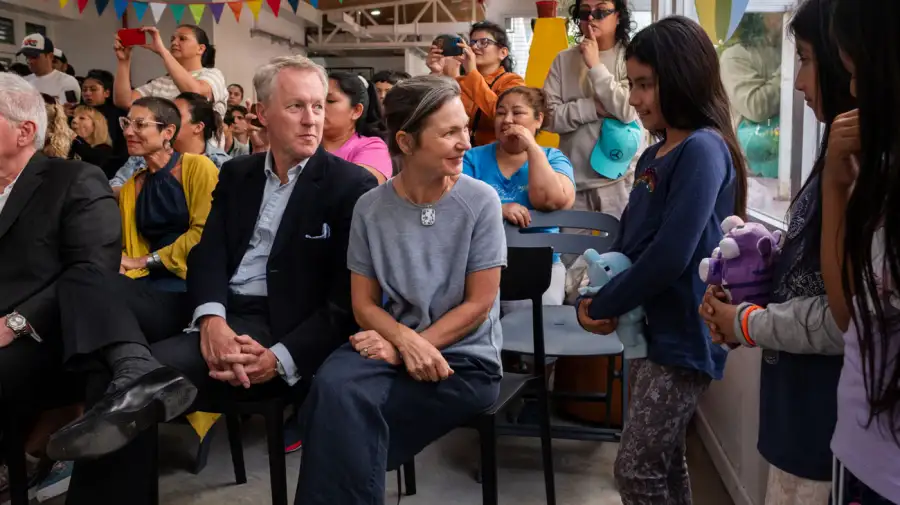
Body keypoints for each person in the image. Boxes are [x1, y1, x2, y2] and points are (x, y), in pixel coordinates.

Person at [48, 55, 378, 505]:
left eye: (319, 106)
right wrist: (211, 318)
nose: (312, 120)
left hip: (270, 325)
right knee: (85, 278)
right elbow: (209, 254)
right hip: (208, 305)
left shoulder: (350, 184)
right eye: (297, 106)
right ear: (263, 113)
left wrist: (282, 358)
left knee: (118, 382)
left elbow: (344, 302)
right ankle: (133, 362)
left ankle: (130, 375)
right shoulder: (240, 173)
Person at [295, 73, 504, 505]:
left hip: (463, 360)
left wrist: (407, 347)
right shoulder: (371, 207)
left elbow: (480, 304)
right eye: (449, 132)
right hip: (389, 343)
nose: (465, 141)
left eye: (464, 127)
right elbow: (363, 303)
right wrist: (402, 344)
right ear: (406, 142)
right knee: (330, 389)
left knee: (347, 416)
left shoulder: (481, 201)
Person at [575, 17, 748, 505]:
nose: (634, 98)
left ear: (683, 78)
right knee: (664, 464)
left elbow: (670, 255)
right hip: (650, 330)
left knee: (635, 472)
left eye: (646, 84)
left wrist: (606, 301)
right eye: (633, 84)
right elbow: (633, 242)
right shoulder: (654, 155)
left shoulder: (704, 148)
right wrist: (595, 297)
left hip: (683, 336)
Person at [699, 1, 855, 503]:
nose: (798, 83)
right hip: (797, 413)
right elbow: (810, 270)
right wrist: (744, 288)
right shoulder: (835, 149)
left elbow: (844, 318)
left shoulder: (854, 168)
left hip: (825, 430)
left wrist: (745, 322)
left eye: (806, 60)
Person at [0, 72, 120, 505]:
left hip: (42, 333)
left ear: (24, 131)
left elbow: (90, 272)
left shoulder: (74, 180)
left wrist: (16, 322)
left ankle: (34, 454)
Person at [822, 0, 900, 502]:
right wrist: (836, 186)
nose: (852, 90)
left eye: (858, 71)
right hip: (860, 456)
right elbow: (850, 311)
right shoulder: (881, 172)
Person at [463, 86, 575, 307]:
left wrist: (532, 148)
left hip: (540, 268)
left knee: (535, 335)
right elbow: (458, 204)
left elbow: (550, 201)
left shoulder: (554, 158)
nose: (507, 120)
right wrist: (497, 209)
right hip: (481, 266)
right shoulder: (472, 158)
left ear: (538, 119)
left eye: (517, 113)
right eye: (501, 113)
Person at [544, 0, 639, 220]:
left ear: (618, 16)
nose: (591, 18)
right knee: (571, 253)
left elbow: (627, 109)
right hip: (571, 180)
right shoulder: (563, 59)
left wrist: (596, 66)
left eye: (601, 11)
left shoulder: (631, 57)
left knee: (620, 252)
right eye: (585, 12)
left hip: (620, 179)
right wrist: (592, 107)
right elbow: (548, 118)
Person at [116, 96, 218, 293]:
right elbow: (127, 246)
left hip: (191, 275)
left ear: (168, 132)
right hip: (145, 276)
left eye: (140, 124)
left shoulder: (198, 167)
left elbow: (205, 233)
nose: (128, 132)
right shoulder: (131, 186)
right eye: (126, 123)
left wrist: (143, 261)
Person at [428, 21, 526, 146]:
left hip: (496, 156)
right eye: (472, 43)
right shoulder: (461, 82)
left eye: (484, 42)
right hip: (462, 155)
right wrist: (436, 72)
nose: (474, 47)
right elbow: (435, 115)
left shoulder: (512, 81)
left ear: (503, 53)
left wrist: (472, 72)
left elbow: (502, 115)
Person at [110, 93, 231, 191]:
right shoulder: (147, 153)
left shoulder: (222, 164)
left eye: (176, 116)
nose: (168, 120)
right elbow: (115, 185)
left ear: (198, 127)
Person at [720, 13, 784, 179]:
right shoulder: (736, 56)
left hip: (787, 162)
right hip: (751, 171)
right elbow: (755, 106)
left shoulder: (782, 50)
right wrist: (787, 71)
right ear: (763, 17)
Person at [113, 25, 227, 116]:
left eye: (182, 39)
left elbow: (195, 95)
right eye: (172, 39)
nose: (174, 43)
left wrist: (163, 52)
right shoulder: (161, 82)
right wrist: (124, 61)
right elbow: (124, 102)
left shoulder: (212, 74)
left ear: (200, 48)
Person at [323, 72, 392, 183]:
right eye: (316, 100)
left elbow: (358, 187)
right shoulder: (302, 143)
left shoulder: (373, 147)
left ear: (356, 111)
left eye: (330, 101)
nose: (319, 107)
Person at [16, 34, 80, 104]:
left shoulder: (67, 82)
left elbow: (70, 111)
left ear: (50, 56)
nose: (30, 61)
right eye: (27, 56)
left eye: (34, 56)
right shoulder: (23, 82)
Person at [82, 69, 128, 166]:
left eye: (93, 89)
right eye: (84, 89)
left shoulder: (118, 115)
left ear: (107, 93)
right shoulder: (77, 112)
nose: (87, 93)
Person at [69, 105, 116, 178]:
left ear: (95, 125)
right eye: (73, 117)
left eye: (82, 118)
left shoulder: (104, 149)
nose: (74, 121)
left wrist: (75, 138)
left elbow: (91, 158)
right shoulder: (71, 145)